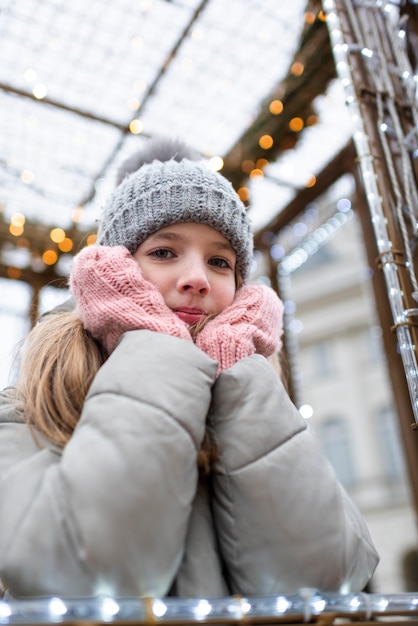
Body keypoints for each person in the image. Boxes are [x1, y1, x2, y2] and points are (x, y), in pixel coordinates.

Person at [0, 138, 378, 599]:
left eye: (220, 262)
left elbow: (326, 579)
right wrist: (158, 343)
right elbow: (80, 572)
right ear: (113, 269)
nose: (197, 277)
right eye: (164, 252)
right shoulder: (25, 409)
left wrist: (241, 380)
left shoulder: (254, 390)